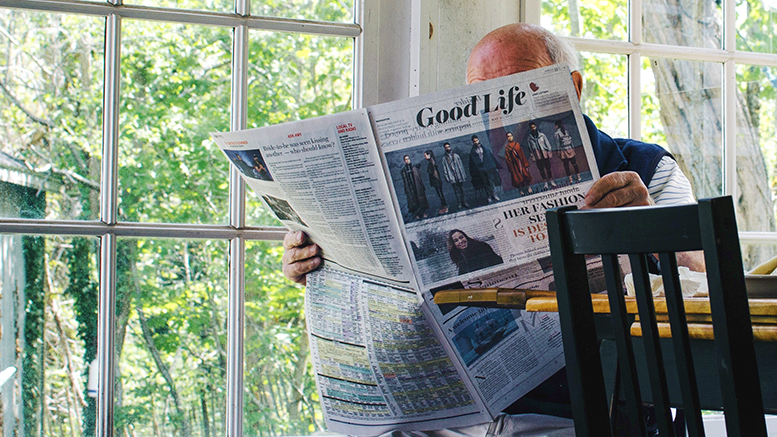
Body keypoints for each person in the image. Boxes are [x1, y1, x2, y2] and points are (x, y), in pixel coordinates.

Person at [281, 23, 700, 434]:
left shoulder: (645, 169)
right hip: (446, 418)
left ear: (571, 87)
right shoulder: (470, 171)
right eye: (481, 97)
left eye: (517, 91)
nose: (499, 111)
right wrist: (320, 263)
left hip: (582, 416)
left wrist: (649, 225)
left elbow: (705, 278)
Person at [467, 135, 502, 203]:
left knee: (491, 182)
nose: (476, 142)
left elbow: (489, 156)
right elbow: (473, 162)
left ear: (478, 140)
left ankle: (494, 195)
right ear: (472, 142)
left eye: (477, 140)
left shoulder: (484, 148)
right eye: (474, 141)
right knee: (485, 183)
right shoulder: (473, 151)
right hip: (480, 169)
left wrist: (493, 166)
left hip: (488, 168)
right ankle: (489, 196)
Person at [441, 142, 471, 209]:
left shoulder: (456, 156)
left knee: (462, 190)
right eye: (446, 147)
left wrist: (463, 175)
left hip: (459, 175)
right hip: (452, 177)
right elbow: (445, 169)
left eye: (448, 147)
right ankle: (459, 203)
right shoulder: (444, 159)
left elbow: (461, 166)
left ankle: (465, 202)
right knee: (456, 191)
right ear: (444, 148)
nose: (447, 148)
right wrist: (448, 178)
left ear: (450, 147)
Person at [399, 155, 429, 220]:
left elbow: (419, 177)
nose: (407, 160)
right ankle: (417, 214)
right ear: (404, 161)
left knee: (421, 200)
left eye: (408, 159)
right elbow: (405, 180)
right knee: (413, 201)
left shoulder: (414, 168)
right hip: (410, 188)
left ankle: (423, 213)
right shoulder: (404, 170)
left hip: (417, 186)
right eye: (406, 159)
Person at [526, 121, 554, 188]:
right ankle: (545, 183)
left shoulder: (542, 135)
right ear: (530, 128)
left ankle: (551, 181)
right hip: (537, 156)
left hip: (545, 154)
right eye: (532, 127)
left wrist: (549, 152)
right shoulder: (529, 138)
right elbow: (530, 149)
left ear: (536, 127)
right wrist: (533, 156)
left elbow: (548, 144)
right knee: (541, 170)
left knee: (548, 168)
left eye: (534, 127)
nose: (533, 129)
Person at [553, 120, 579, 185]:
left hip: (563, 151)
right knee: (574, 163)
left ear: (557, 126)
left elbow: (557, 144)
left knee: (566, 165)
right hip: (570, 149)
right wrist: (573, 148)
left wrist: (558, 153)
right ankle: (579, 177)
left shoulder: (556, 134)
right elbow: (571, 141)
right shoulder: (566, 132)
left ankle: (570, 179)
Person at [424, 150, 448, 214]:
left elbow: (435, 173)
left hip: (436, 180)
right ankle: (444, 206)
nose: (425, 157)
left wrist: (438, 180)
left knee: (440, 194)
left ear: (429, 155)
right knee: (440, 193)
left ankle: (445, 207)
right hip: (436, 180)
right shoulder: (431, 161)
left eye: (425, 155)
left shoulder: (432, 162)